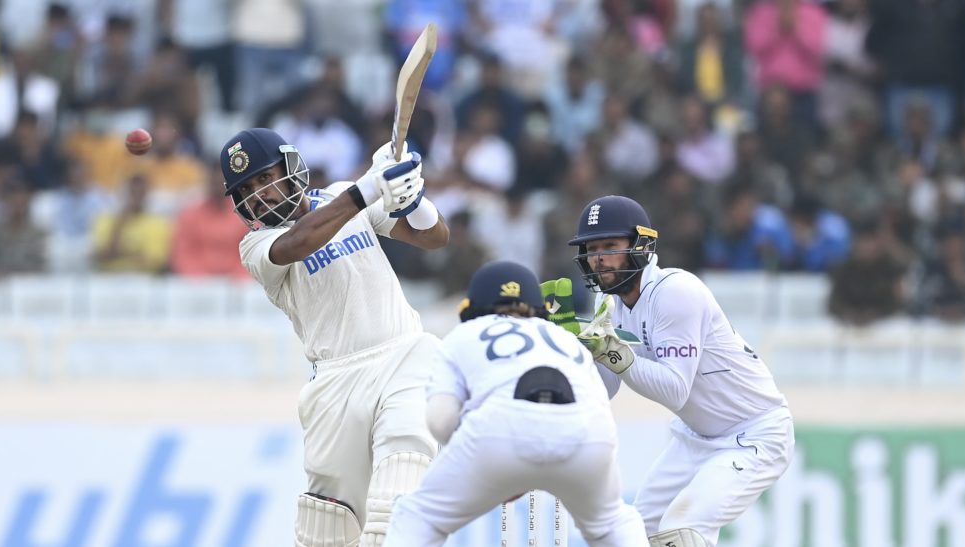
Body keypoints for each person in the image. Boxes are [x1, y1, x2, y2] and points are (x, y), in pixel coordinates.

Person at [219, 127, 449, 546]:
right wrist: (369, 187)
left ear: (291, 169)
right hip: (335, 384)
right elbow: (300, 241)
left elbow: (435, 239)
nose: (260, 193)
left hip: (404, 356)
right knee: (328, 531)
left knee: (395, 505)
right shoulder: (256, 246)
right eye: (247, 189)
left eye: (266, 177)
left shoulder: (343, 196)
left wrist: (414, 202)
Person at [556, 195, 795, 547]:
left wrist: (612, 351)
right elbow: (607, 386)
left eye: (610, 245)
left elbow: (674, 390)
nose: (599, 258)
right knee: (640, 534)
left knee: (683, 529)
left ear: (641, 246)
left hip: (754, 434)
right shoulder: (607, 301)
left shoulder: (676, 292)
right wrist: (573, 352)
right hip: (694, 438)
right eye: (592, 249)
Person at [383, 261, 647, 547]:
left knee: (417, 516)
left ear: (472, 308)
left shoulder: (464, 335)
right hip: (588, 435)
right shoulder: (563, 338)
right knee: (613, 522)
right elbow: (600, 410)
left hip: (499, 431)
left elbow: (440, 420)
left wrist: (488, 465)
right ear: (538, 308)